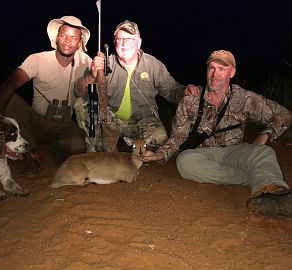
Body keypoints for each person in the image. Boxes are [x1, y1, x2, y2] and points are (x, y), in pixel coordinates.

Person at [141, 50, 292, 218]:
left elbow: (284, 115)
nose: (215, 74)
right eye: (211, 68)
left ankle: (275, 193)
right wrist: (159, 155)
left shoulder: (245, 98)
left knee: (264, 152)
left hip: (234, 151)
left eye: (222, 69)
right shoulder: (190, 100)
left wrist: (266, 134)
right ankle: (256, 175)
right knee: (184, 162)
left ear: (232, 72)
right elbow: (178, 137)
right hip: (202, 154)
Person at [74, 20, 198, 152]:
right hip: (109, 120)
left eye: (130, 39)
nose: (124, 44)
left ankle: (132, 145)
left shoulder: (153, 64)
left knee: (160, 139)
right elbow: (79, 92)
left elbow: (172, 90)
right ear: (114, 42)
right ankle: (99, 146)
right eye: (120, 39)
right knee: (81, 104)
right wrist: (92, 76)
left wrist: (186, 91)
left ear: (139, 43)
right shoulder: (106, 63)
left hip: (140, 121)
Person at [0, 16, 92, 175]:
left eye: (73, 37)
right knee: (12, 100)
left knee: (77, 146)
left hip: (63, 124)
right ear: (56, 37)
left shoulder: (86, 61)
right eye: (64, 35)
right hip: (36, 122)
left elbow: (95, 88)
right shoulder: (37, 59)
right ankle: (29, 154)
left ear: (79, 42)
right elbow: (10, 83)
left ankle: (60, 153)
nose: (67, 41)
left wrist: (97, 73)